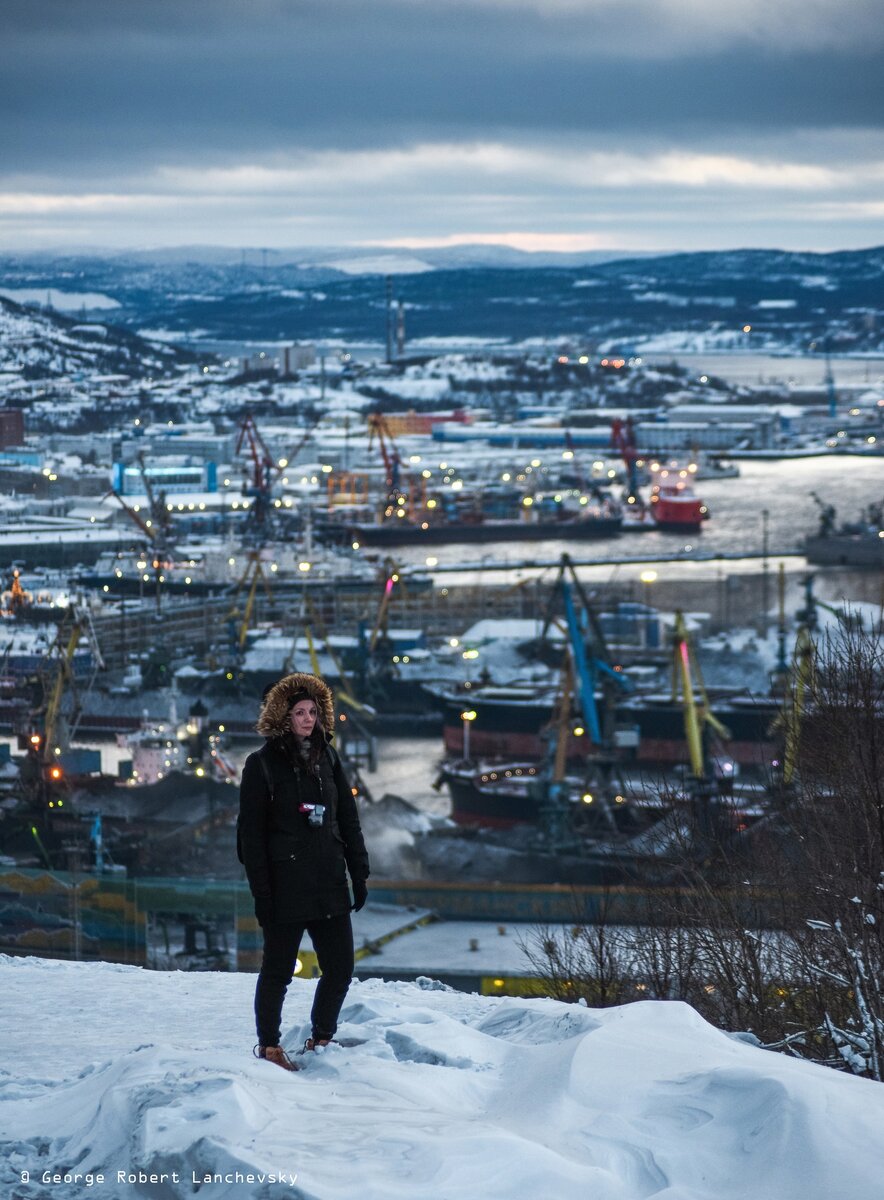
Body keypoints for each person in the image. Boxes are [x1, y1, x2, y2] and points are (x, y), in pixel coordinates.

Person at [238, 672, 370, 1070]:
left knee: (341, 967)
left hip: (328, 879)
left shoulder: (328, 757)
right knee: (278, 971)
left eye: (313, 711)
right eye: (299, 712)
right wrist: (262, 895)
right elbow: (250, 839)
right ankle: (270, 1046)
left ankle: (322, 1037)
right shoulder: (260, 766)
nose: (308, 719)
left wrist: (358, 872)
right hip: (285, 886)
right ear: (282, 716)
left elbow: (347, 817)